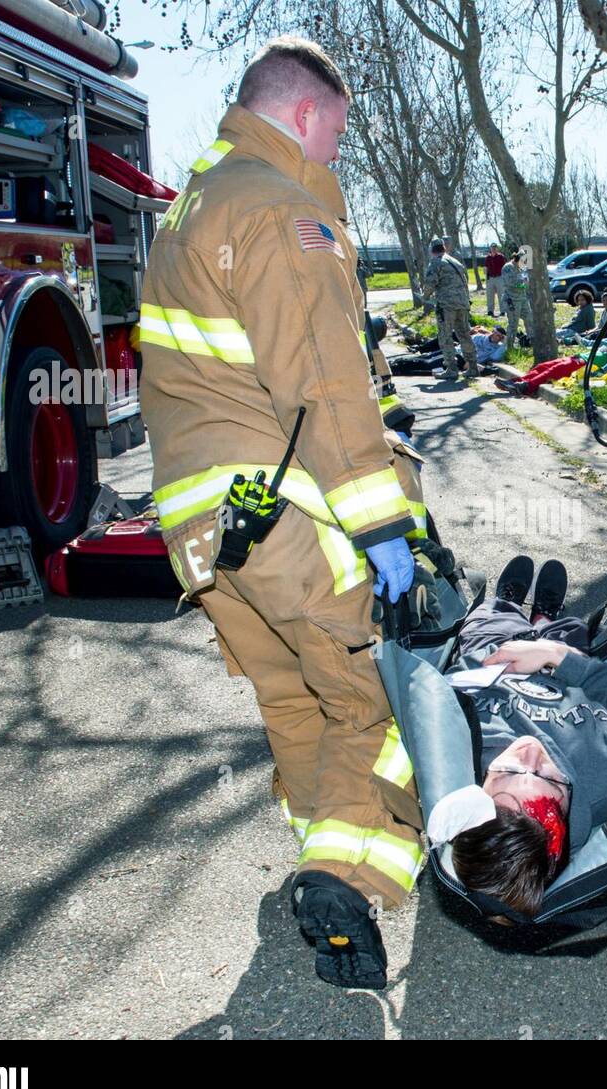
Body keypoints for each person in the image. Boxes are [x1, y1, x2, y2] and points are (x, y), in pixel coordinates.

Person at [139, 36, 424, 991]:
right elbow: (324, 387)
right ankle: (342, 876)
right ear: (304, 114)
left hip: (204, 535)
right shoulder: (278, 209)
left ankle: (319, 865)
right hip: (289, 514)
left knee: (297, 700)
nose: (336, 153)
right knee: (379, 694)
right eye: (335, 134)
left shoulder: (191, 207)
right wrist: (385, 527)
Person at [442, 557, 607, 918]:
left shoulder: (458, 756)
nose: (530, 755)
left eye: (505, 772)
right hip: (563, 665)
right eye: (550, 778)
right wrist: (556, 655)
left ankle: (509, 601)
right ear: (569, 809)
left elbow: (448, 683)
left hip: (496, 652)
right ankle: (545, 617)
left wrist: (500, 656)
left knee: (490, 615)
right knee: (571, 629)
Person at [423, 237, 478, 379]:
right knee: (464, 335)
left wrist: (425, 296)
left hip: (447, 306)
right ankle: (472, 366)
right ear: (444, 248)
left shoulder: (436, 262)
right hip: (463, 304)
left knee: (445, 336)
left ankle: (451, 369)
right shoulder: (455, 261)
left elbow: (430, 284)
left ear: (432, 250)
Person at [501, 248, 532, 347]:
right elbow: (511, 283)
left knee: (529, 319)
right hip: (512, 300)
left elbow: (526, 282)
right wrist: (523, 284)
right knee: (513, 324)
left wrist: (526, 284)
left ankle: (532, 340)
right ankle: (509, 346)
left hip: (522, 299)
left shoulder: (521, 268)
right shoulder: (508, 267)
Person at [484, 242, 506, 317]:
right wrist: (486, 278)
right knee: (490, 295)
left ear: (497, 248)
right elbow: (486, 268)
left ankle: (503, 311)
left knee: (501, 295)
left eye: (495, 247)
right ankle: (490, 311)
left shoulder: (501, 257)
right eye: (492, 247)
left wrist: (504, 278)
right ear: (490, 248)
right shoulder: (488, 257)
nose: (493, 249)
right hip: (490, 278)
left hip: (499, 278)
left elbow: (504, 268)